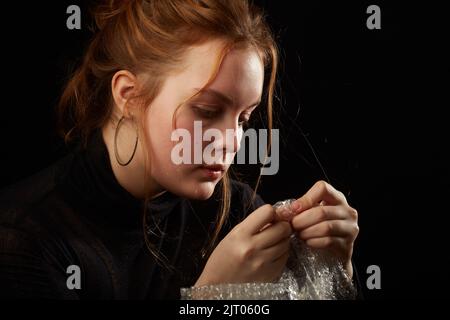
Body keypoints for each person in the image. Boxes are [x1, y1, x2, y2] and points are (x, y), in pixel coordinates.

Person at [0, 0, 359, 299]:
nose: (231, 142)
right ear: (128, 95)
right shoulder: (24, 240)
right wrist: (210, 298)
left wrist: (331, 273)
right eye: (207, 111)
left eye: (243, 118)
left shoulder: (237, 215)